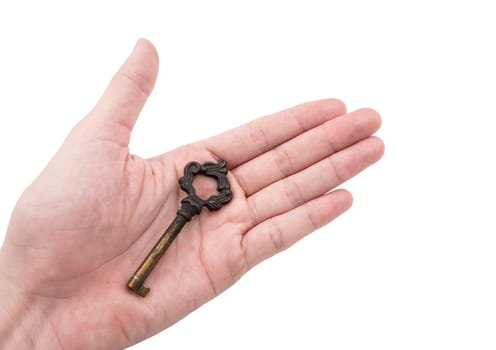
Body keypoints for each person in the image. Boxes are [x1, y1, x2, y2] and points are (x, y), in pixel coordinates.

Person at [0, 39, 384, 349]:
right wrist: (22, 295)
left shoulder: (200, 193)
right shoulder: (195, 193)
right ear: (195, 184)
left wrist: (23, 314)